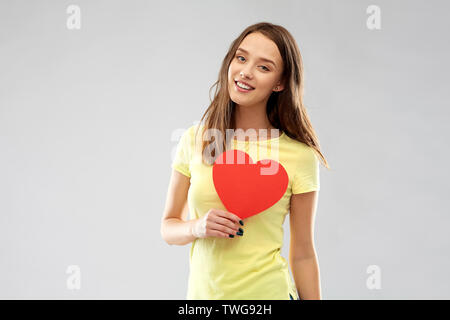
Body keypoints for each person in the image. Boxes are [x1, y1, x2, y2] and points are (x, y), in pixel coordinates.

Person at [161, 22, 330, 300]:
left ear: (280, 83)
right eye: (241, 58)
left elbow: (303, 254)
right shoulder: (196, 139)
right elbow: (168, 226)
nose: (246, 72)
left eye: (264, 67)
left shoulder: (299, 156)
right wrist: (197, 226)